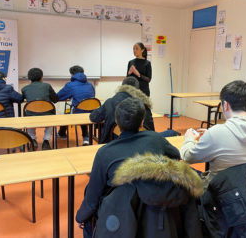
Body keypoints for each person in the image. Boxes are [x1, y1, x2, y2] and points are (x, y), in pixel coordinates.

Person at [76, 98, 180, 238]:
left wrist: (80, 218)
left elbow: (92, 198)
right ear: (142, 121)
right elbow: (176, 156)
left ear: (116, 122)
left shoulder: (105, 152)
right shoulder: (156, 139)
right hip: (155, 216)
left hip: (119, 220)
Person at [180, 80, 246, 187]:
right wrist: (213, 135)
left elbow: (187, 157)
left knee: (180, 170)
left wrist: (189, 139)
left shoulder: (216, 133)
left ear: (225, 105)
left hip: (219, 198)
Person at [90, 77, 155, 143]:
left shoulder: (110, 102)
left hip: (113, 144)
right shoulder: (144, 105)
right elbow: (151, 131)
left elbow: (93, 117)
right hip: (141, 145)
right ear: (137, 89)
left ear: (122, 87)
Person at [21, 68, 59, 150]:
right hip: (47, 115)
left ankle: (32, 139)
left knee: (28, 115)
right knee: (51, 117)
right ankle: (46, 141)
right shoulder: (47, 86)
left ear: (29, 78)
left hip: (31, 116)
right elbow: (55, 100)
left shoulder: (24, 89)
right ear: (41, 77)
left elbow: (21, 99)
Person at [57, 65, 95, 145]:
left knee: (68, 113)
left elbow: (58, 97)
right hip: (91, 113)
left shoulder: (70, 85)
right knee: (83, 110)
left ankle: (61, 133)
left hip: (77, 112)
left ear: (72, 74)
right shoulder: (90, 85)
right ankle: (86, 138)